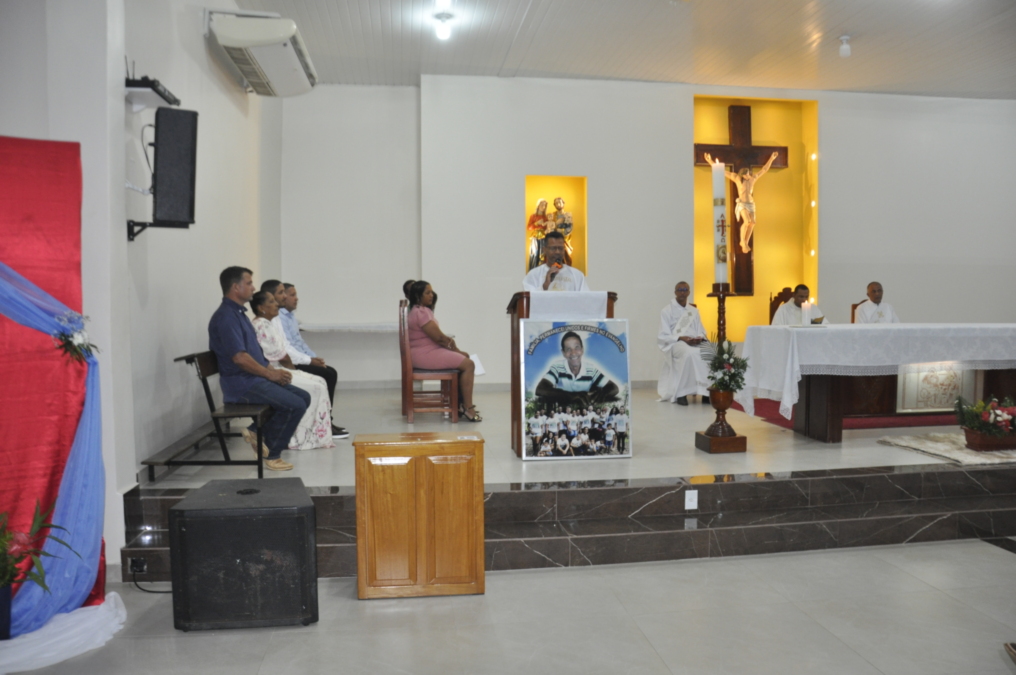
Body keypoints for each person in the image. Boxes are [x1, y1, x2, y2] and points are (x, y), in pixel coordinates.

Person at [208, 267, 309, 472]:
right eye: (249, 283)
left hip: (254, 379)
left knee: (303, 397)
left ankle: (256, 432)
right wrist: (270, 374)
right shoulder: (227, 317)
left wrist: (273, 371)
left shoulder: (239, 314)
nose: (254, 288)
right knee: (295, 405)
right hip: (241, 385)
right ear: (236, 287)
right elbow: (240, 358)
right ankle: (272, 454)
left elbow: (255, 353)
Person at [249, 291, 335, 450]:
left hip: (277, 369)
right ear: (261, 308)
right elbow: (281, 356)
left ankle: (314, 434)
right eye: (272, 301)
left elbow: (284, 349)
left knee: (321, 381)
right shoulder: (262, 325)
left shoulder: (268, 323)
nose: (276, 304)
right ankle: (299, 437)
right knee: (316, 387)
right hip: (273, 372)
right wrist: (295, 371)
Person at [264, 281, 348, 439]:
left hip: (291, 360)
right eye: (284, 293)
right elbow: (285, 351)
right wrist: (308, 361)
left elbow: (297, 343)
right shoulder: (274, 318)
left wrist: (312, 358)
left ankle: (325, 422)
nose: (292, 298)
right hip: (283, 365)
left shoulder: (285, 317)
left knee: (328, 372)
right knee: (326, 376)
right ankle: (323, 424)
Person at [407, 280, 481, 422]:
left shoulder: (418, 310)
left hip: (424, 352)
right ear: (418, 296)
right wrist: (457, 350)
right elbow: (439, 338)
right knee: (468, 364)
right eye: (427, 293)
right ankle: (468, 408)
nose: (431, 295)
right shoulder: (421, 312)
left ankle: (460, 404)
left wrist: (456, 351)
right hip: (425, 354)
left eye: (431, 292)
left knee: (465, 358)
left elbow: (438, 338)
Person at [705, 151, 778, 253]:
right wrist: (710, 161)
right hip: (742, 204)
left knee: (753, 222)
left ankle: (745, 242)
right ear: (742, 175)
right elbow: (722, 171)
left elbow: (764, 169)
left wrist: (772, 158)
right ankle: (742, 241)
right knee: (747, 221)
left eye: (749, 174)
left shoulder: (752, 179)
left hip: (751, 204)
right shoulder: (736, 178)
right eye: (747, 175)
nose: (749, 176)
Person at [657, 281, 711, 406]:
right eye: (680, 289)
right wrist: (681, 337)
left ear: (689, 292)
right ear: (675, 292)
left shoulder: (694, 311)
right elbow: (663, 335)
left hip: (694, 341)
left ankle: (706, 393)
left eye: (685, 290)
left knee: (709, 353)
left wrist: (699, 338)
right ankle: (681, 393)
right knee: (689, 354)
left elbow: (701, 330)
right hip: (677, 342)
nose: (682, 292)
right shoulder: (667, 311)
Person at [535, 331, 619, 407]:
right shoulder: (558, 367)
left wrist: (600, 395)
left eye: (577, 347)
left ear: (582, 350)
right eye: (568, 349)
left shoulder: (590, 369)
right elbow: (540, 389)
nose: (573, 353)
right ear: (563, 353)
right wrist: (572, 396)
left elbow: (614, 388)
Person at [522, 231, 589, 292]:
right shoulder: (534, 275)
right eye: (553, 248)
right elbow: (529, 298)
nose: (557, 252)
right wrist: (545, 286)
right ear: (544, 250)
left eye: (560, 248)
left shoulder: (577, 275)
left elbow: (585, 298)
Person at [526, 199, 550, 272]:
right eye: (542, 205)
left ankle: (543, 271)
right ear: (538, 205)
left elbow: (549, 227)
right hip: (535, 238)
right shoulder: (533, 216)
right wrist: (537, 223)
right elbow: (529, 227)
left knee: (543, 254)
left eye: (545, 205)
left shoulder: (546, 217)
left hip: (544, 238)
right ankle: (534, 270)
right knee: (535, 254)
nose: (543, 207)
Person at [552, 197, 574, 266]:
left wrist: (561, 231)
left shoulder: (567, 215)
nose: (558, 204)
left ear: (563, 203)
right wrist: (556, 224)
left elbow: (569, 228)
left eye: (559, 202)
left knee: (566, 257)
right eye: (556, 203)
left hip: (564, 241)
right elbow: (549, 227)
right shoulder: (552, 215)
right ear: (554, 205)